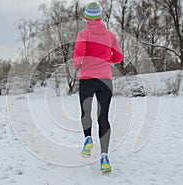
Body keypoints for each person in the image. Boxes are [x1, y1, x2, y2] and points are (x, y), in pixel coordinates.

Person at [73, 2, 124, 173]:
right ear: (100, 17)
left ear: (87, 17)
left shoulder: (84, 33)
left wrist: (76, 64)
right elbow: (118, 57)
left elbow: (78, 54)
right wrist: (107, 59)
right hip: (105, 80)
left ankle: (88, 138)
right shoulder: (110, 36)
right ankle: (104, 157)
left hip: (87, 79)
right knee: (103, 118)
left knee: (85, 112)